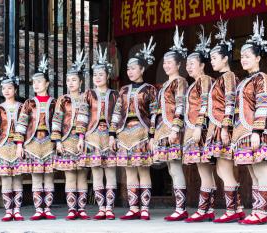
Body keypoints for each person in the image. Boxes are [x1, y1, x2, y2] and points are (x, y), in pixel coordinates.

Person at [233, 17, 267, 225]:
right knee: (253, 172)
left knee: (260, 171)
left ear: (258, 57)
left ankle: (262, 214)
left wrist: (257, 131)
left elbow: (262, 106)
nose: (243, 59)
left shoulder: (262, 78)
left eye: (247, 56)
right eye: (241, 56)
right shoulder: (244, 81)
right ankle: (256, 211)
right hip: (243, 132)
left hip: (255, 131)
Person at [109, 37, 158, 220]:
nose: (130, 71)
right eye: (128, 68)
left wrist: (152, 135)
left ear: (142, 69)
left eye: (133, 68)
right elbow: (116, 113)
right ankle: (133, 207)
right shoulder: (122, 90)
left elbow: (154, 114)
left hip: (142, 133)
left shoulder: (150, 89)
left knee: (143, 169)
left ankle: (144, 207)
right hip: (124, 134)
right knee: (129, 170)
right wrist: (112, 134)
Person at [76, 46, 118, 220]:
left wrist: (114, 135)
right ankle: (101, 208)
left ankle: (110, 208)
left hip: (110, 137)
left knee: (111, 172)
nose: (98, 78)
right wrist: (80, 137)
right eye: (95, 75)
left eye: (101, 74)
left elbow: (117, 116)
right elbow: (83, 115)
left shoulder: (115, 94)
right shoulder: (88, 94)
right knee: (96, 173)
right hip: (92, 136)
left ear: (107, 76)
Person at [153, 26, 189, 221]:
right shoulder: (164, 85)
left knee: (175, 168)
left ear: (178, 64)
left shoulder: (180, 82)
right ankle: (179, 206)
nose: (166, 65)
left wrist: (176, 127)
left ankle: (181, 208)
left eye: (169, 62)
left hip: (173, 129)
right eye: (164, 62)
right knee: (170, 168)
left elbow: (181, 105)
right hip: (163, 130)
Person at [15, 55, 57, 220]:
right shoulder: (28, 103)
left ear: (47, 83)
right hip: (32, 142)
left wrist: (57, 141)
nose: (36, 84)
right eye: (34, 82)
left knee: (49, 177)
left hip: (49, 142)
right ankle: (39, 210)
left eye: (40, 81)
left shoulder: (55, 102)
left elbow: (59, 123)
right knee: (36, 177)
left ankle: (47, 209)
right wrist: (19, 144)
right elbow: (21, 124)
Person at [181, 26, 216, 223]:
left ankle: (204, 210)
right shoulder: (195, 83)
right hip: (195, 130)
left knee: (205, 171)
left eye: (192, 63)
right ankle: (208, 209)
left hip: (201, 131)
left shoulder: (205, 80)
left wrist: (198, 126)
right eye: (187, 63)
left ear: (202, 65)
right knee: (204, 171)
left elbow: (206, 104)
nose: (188, 66)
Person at [51, 50, 90, 220]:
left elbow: (90, 120)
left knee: (82, 176)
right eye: (68, 80)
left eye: (74, 80)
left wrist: (85, 138)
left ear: (81, 82)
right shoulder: (62, 99)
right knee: (70, 176)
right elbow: (56, 120)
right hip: (66, 141)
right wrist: (57, 140)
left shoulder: (86, 97)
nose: (70, 82)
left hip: (83, 141)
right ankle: (71, 209)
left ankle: (81, 209)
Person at [0, 58, 23, 221]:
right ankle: (8, 211)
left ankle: (17, 211)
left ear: (15, 89)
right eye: (4, 88)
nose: (6, 91)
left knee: (18, 179)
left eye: (10, 88)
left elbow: (27, 130)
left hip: (18, 148)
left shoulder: (23, 107)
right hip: (2, 147)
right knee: (6, 179)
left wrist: (22, 146)